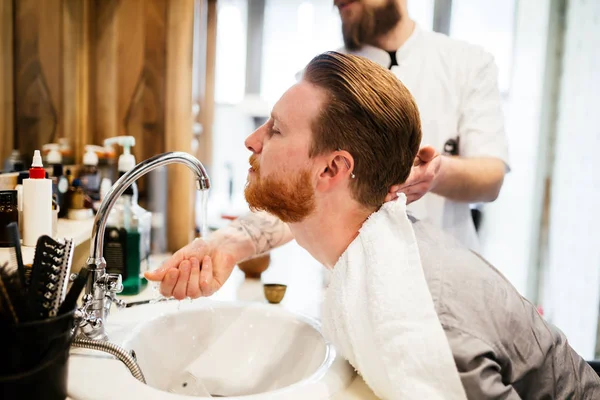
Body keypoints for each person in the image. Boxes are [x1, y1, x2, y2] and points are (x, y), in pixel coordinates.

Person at [148, 52, 599, 398]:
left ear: (332, 170)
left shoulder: (410, 322)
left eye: (275, 129)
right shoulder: (371, 253)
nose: (251, 140)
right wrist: (229, 242)